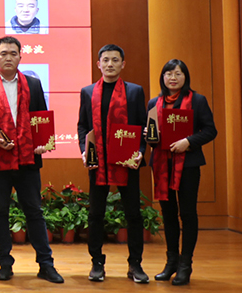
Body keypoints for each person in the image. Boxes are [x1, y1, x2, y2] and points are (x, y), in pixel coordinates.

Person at [0, 36, 63, 283]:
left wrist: (44, 141)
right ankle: (5, 264)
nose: (8, 57)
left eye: (13, 53)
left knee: (34, 212)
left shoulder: (33, 84)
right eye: (3, 53)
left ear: (20, 56)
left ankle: (46, 264)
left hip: (28, 160)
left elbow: (41, 117)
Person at [77, 44, 147, 283]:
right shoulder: (88, 92)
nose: (110, 64)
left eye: (115, 60)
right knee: (96, 214)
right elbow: (82, 126)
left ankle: (135, 264)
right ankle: (97, 263)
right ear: (98, 64)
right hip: (98, 162)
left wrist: (140, 151)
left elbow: (142, 126)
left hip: (127, 161)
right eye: (105, 60)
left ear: (122, 64)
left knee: (133, 214)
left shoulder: (134, 91)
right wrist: (84, 150)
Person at [148, 59, 216, 286]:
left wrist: (189, 141)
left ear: (185, 77)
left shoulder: (197, 100)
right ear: (163, 78)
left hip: (188, 165)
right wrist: (149, 136)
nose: (173, 78)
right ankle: (171, 263)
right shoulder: (153, 103)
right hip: (161, 164)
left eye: (178, 73)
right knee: (168, 214)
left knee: (187, 213)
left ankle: (185, 265)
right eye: (168, 74)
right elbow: (150, 135)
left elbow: (210, 130)